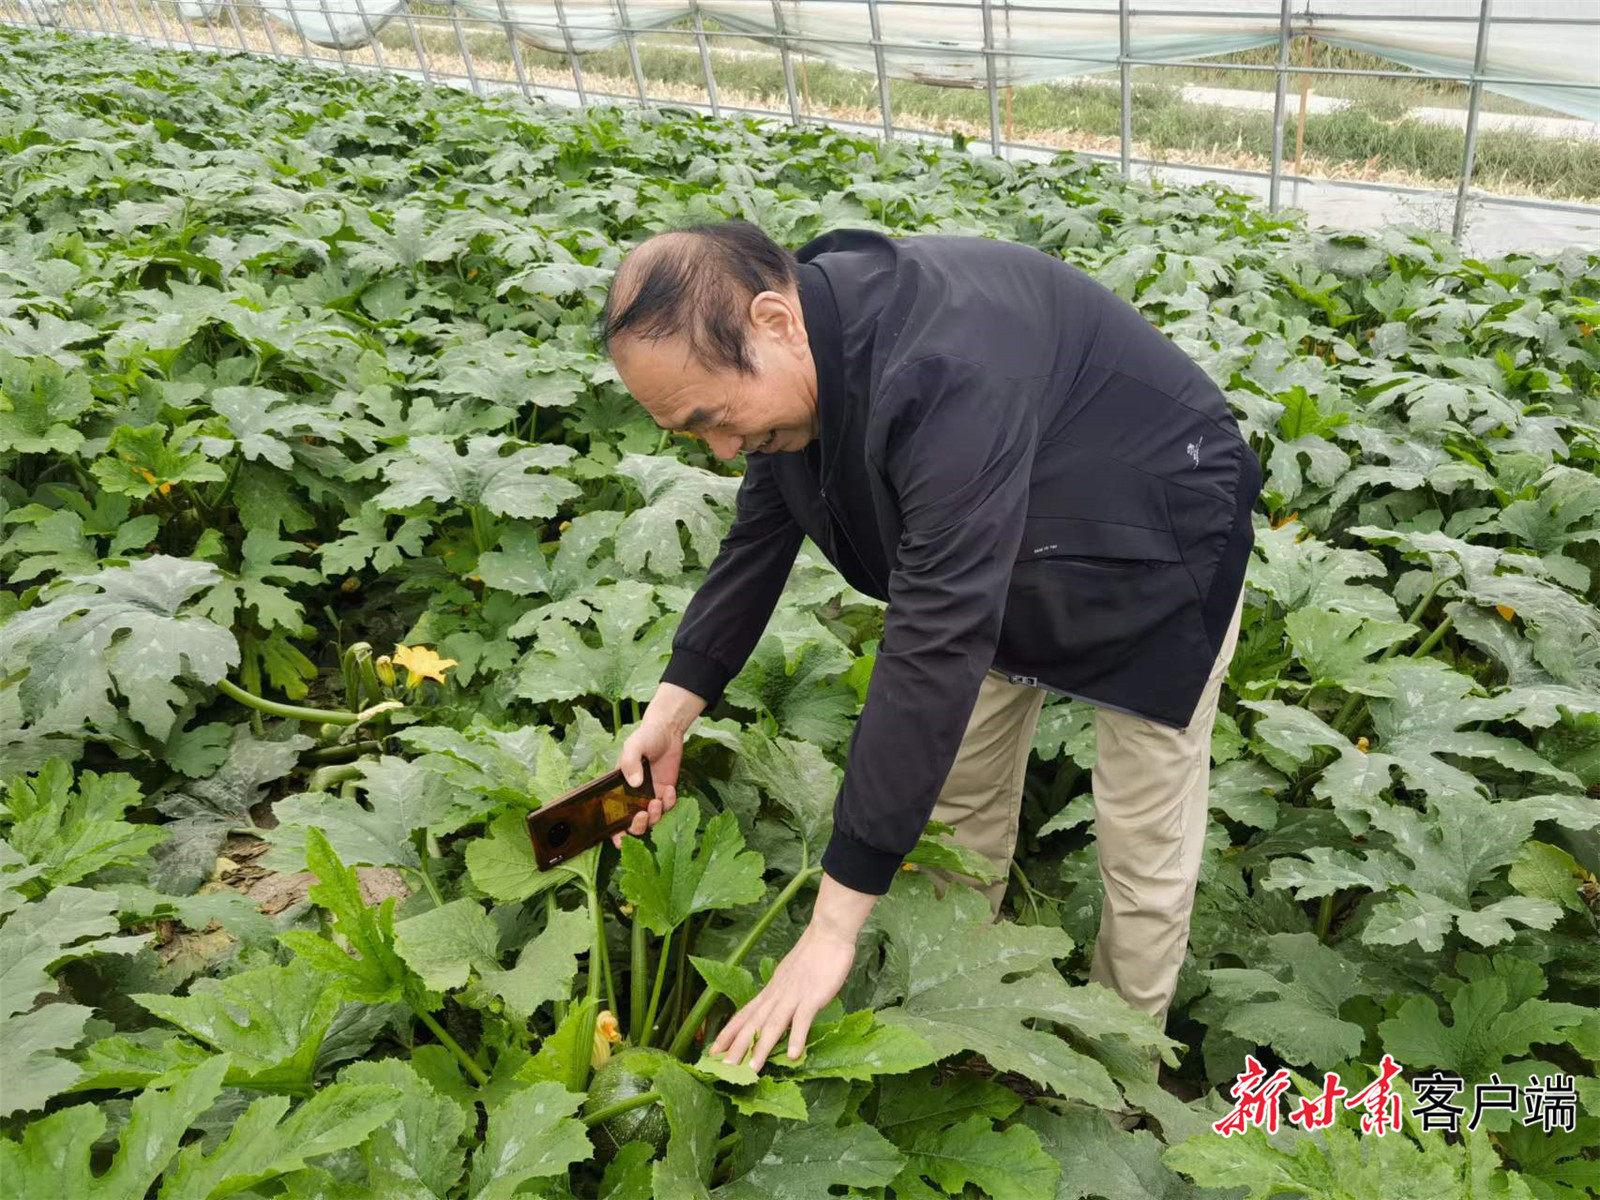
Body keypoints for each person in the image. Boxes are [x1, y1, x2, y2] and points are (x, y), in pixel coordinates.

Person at [599, 220, 1260, 1076]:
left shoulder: (946, 367)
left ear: (771, 320)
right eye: (694, 435)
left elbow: (935, 637)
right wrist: (673, 708)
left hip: (1154, 543)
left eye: (715, 419)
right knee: (958, 801)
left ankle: (1117, 1079)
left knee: (1140, 845)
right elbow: (760, 537)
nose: (723, 448)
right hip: (1003, 540)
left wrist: (832, 928)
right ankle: (961, 1012)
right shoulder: (812, 350)